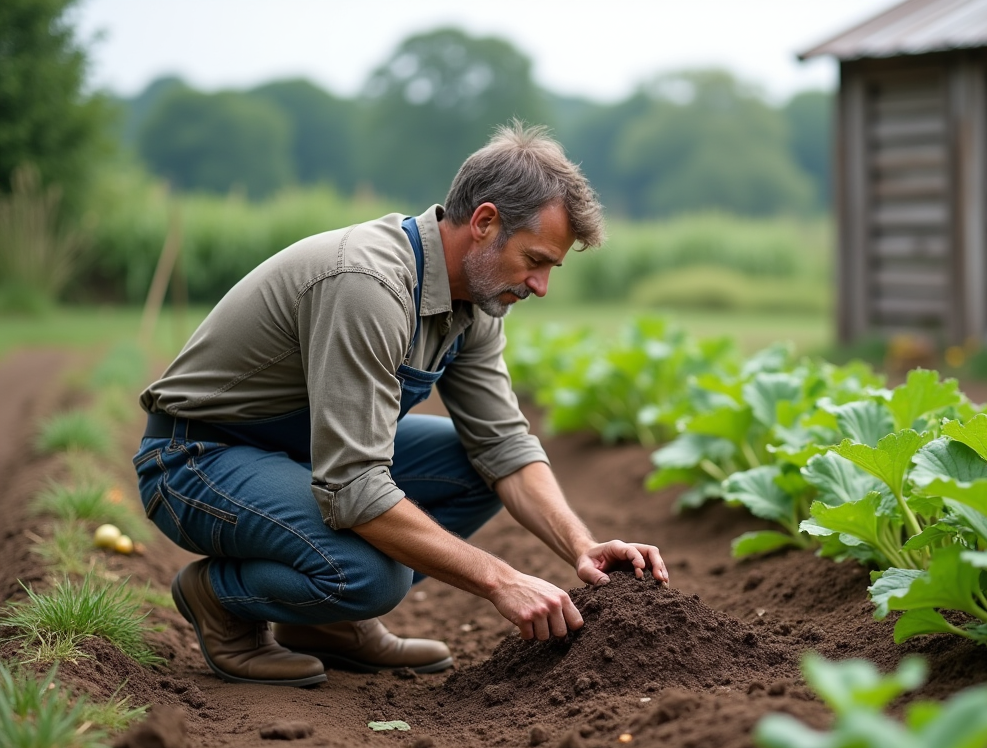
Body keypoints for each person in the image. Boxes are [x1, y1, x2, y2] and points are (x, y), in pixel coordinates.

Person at [133, 123, 669, 688]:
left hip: (296, 454)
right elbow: (354, 488)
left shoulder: (479, 304)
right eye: (534, 260)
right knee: (370, 575)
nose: (540, 286)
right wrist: (500, 579)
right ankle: (222, 600)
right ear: (485, 223)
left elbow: (504, 446)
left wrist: (581, 547)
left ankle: (325, 624)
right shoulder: (367, 284)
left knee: (471, 468)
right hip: (198, 457)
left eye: (551, 268)